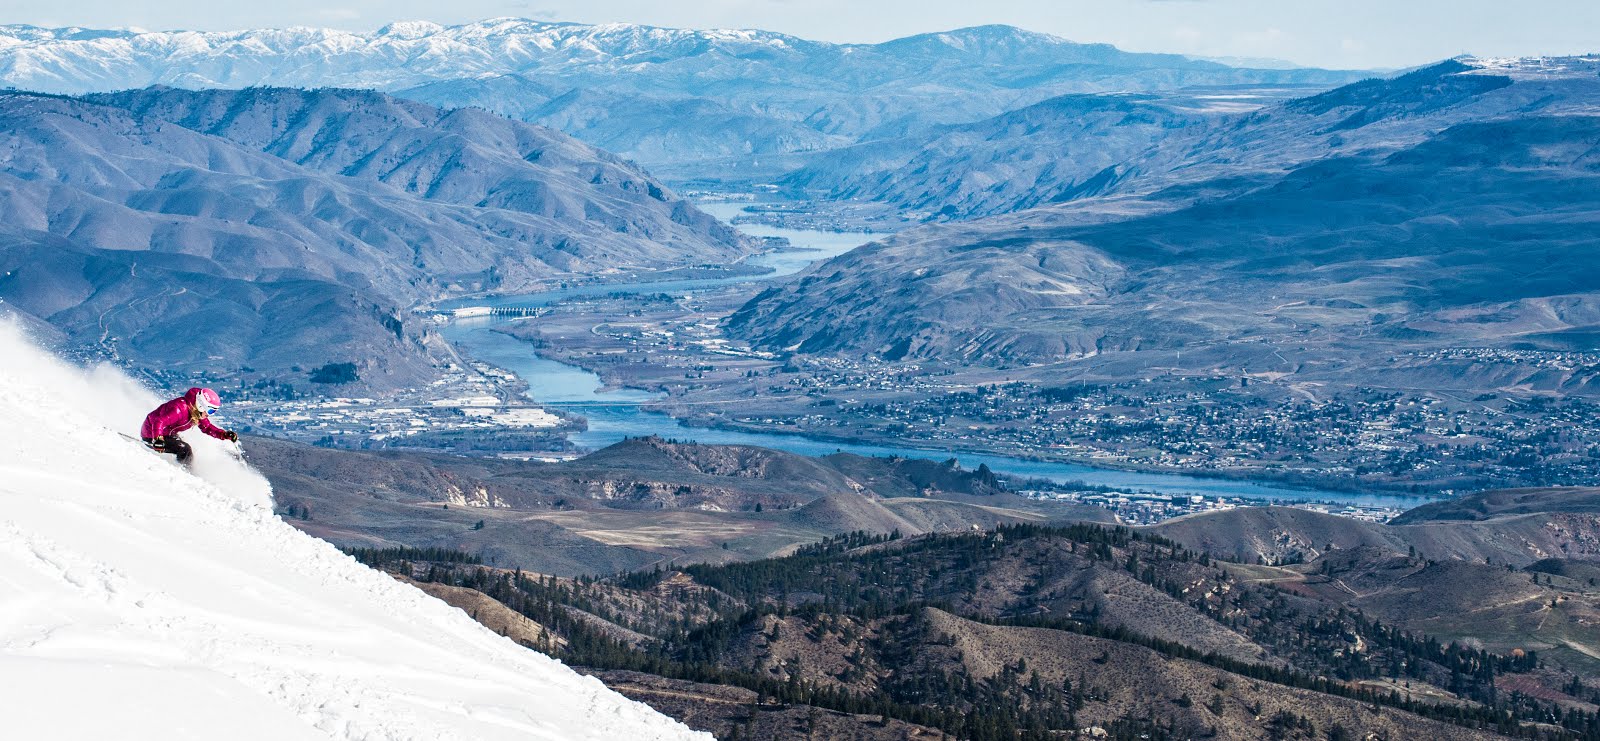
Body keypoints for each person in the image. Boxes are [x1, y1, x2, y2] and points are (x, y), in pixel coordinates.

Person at [141, 387, 238, 464]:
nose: (209, 414)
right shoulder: (180, 409)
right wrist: (157, 439)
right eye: (210, 411)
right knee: (185, 449)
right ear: (201, 406)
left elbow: (207, 428)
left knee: (187, 449)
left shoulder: (196, 412)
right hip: (151, 434)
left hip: (167, 434)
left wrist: (223, 434)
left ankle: (185, 467)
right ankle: (184, 473)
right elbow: (159, 421)